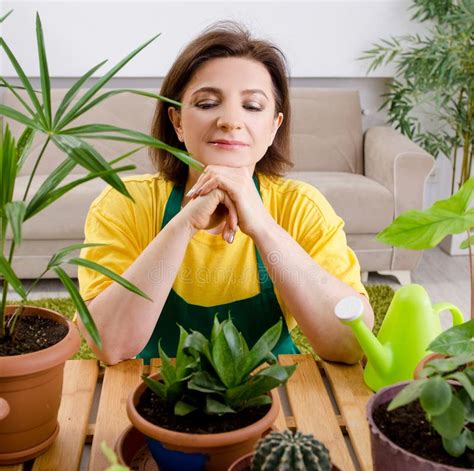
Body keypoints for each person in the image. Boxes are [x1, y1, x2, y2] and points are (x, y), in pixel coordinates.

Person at [77, 22, 374, 366]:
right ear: (176, 122)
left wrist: (263, 227)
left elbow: (351, 345)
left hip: (274, 400)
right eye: (206, 103)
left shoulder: (301, 208)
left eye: (252, 106)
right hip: (150, 398)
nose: (230, 120)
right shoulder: (124, 203)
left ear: (273, 127)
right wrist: (183, 225)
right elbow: (109, 346)